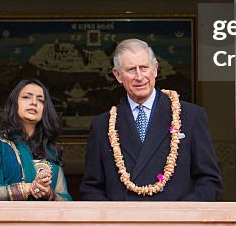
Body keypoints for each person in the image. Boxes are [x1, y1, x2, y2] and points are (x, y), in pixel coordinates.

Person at [80, 38, 222, 200]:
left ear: (155, 70)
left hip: (175, 222)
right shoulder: (102, 125)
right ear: (118, 75)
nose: (139, 77)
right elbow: (91, 188)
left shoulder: (191, 116)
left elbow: (209, 181)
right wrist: (114, 220)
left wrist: (180, 215)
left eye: (144, 68)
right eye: (131, 70)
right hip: (123, 223)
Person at [0, 79, 71, 201]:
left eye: (41, 100)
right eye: (26, 97)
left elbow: (66, 201)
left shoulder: (50, 152)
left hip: (44, 219)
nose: (34, 102)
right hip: (6, 218)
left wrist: (48, 193)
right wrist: (29, 188)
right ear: (14, 103)